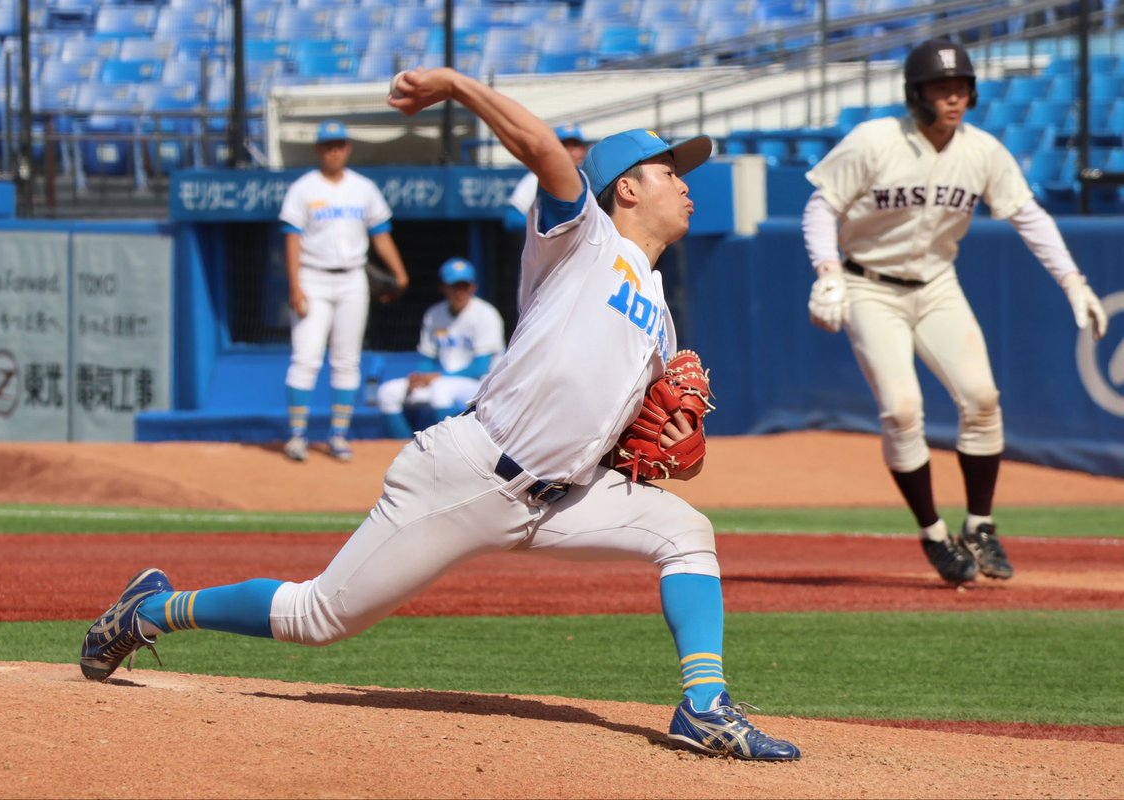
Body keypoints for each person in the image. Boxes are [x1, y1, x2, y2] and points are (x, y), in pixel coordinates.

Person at [79, 67, 801, 762]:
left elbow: (638, 445)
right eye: (668, 170)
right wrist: (455, 85)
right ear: (626, 189)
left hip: (558, 500)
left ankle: (703, 706)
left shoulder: (662, 324)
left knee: (684, 529)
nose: (684, 183)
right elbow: (544, 151)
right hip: (468, 471)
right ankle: (151, 611)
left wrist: (679, 443)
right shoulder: (582, 239)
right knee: (318, 617)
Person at [802, 38, 1109, 586]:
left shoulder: (983, 151)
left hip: (938, 284)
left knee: (983, 399)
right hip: (870, 286)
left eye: (962, 86)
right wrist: (827, 271)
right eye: (942, 87)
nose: (955, 97)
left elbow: (1029, 217)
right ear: (916, 93)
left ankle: (981, 525)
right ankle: (934, 533)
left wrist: (1074, 281)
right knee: (901, 410)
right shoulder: (875, 140)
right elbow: (822, 204)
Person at [280, 119, 410, 464]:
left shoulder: (363, 188)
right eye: (328, 145)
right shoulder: (303, 188)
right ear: (319, 149)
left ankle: (338, 434)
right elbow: (291, 239)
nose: (334, 151)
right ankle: (297, 435)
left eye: (339, 145)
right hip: (313, 277)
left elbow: (380, 231)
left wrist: (399, 272)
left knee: (347, 360)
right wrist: (294, 285)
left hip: (353, 277)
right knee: (306, 356)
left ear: (347, 148)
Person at [375, 256, 505, 439]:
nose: (460, 292)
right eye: (454, 286)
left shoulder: (486, 314)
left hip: (481, 385)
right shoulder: (434, 314)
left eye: (464, 286)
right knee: (387, 392)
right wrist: (419, 377)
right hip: (444, 381)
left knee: (440, 390)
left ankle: (445, 450)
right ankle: (407, 448)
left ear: (473, 287)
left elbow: (481, 367)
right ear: (443, 287)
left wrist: (436, 377)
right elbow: (429, 359)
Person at [502, 123, 590, 231]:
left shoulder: (591, 177)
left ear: (584, 150)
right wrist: (550, 228)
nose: (570, 151)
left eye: (575, 145)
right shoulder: (536, 177)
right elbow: (512, 219)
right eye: (564, 145)